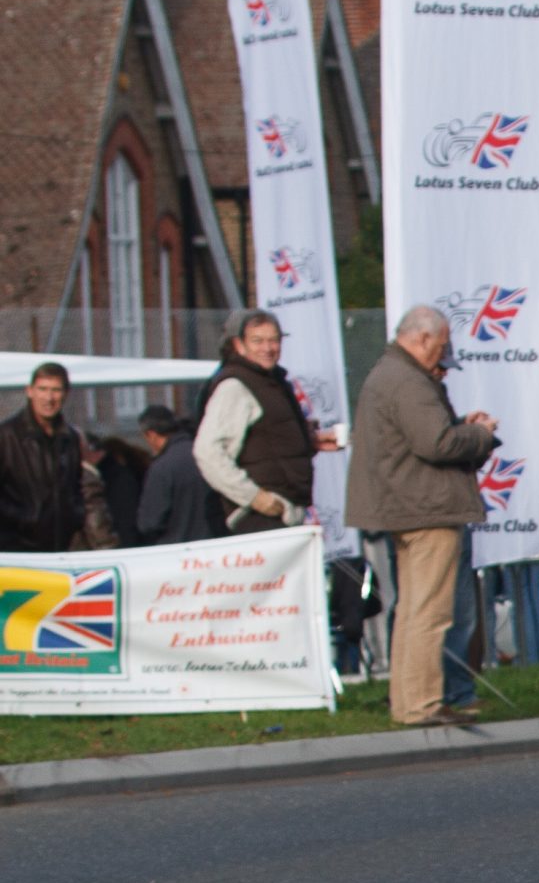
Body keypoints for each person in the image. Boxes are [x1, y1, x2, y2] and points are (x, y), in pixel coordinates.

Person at [346, 304, 500, 726]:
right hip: (427, 508)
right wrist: (480, 435)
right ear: (424, 338)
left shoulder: (390, 373)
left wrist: (458, 428)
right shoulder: (408, 379)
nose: (444, 352)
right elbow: (437, 443)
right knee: (430, 612)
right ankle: (422, 704)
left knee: (414, 610)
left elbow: (428, 435)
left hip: (407, 506)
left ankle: (408, 701)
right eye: (443, 343)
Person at [196, 308, 338, 532]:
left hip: (284, 515)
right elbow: (208, 452)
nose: (268, 348)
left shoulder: (273, 381)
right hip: (257, 519)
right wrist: (255, 498)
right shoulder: (235, 386)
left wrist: (308, 441)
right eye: (257, 341)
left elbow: (267, 441)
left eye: (274, 340)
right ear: (239, 345)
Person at [0, 362, 84, 553]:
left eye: (55, 390)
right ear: (30, 391)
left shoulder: (69, 437)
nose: (49, 398)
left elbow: (76, 486)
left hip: (59, 548)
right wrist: (25, 518)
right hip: (17, 549)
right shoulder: (7, 436)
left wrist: (75, 516)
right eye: (43, 389)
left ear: (65, 394)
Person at [136, 407, 220, 544]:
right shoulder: (206, 455)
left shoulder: (161, 468)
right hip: (213, 545)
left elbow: (149, 522)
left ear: (151, 434)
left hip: (176, 550)